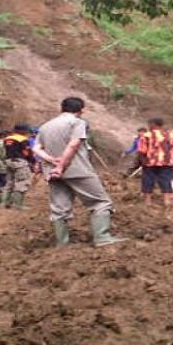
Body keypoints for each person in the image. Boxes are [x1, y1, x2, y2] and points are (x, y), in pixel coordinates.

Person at [33, 97, 126, 247]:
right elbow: (73, 145)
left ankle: (62, 244)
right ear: (81, 110)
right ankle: (102, 237)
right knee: (100, 202)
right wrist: (61, 165)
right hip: (77, 170)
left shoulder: (45, 126)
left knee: (59, 208)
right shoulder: (77, 123)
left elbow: (36, 148)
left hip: (52, 173)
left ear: (61, 109)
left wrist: (51, 160)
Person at [138, 118, 173, 207]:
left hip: (150, 162)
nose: (148, 126)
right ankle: (166, 200)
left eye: (149, 124)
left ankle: (148, 201)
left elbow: (142, 150)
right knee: (166, 180)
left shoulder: (146, 135)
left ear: (154, 124)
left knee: (148, 180)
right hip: (167, 162)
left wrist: (142, 161)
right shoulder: (172, 135)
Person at [1, 123, 35, 210]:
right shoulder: (23, 139)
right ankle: (17, 205)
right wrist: (32, 161)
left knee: (9, 182)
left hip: (8, 161)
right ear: (24, 131)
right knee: (22, 182)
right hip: (20, 162)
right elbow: (26, 152)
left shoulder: (7, 138)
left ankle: (4, 203)